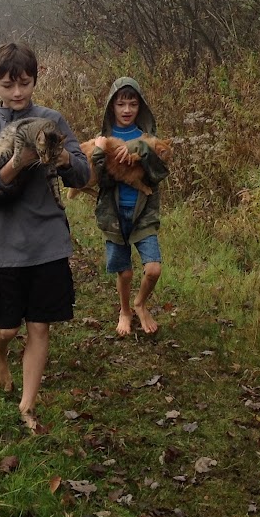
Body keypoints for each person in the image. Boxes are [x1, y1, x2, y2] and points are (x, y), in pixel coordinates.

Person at [0, 42, 90, 433]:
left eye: (24, 83)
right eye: (8, 85)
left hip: (48, 240)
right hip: (4, 242)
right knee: (5, 328)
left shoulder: (52, 118)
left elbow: (84, 175)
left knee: (40, 326)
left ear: (35, 80)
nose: (17, 92)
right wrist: (15, 166)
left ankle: (27, 405)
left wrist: (66, 159)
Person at [92, 77, 170, 337]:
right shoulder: (103, 139)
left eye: (133, 104)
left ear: (140, 107)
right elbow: (99, 181)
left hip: (143, 213)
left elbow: (159, 174)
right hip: (113, 215)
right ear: (111, 106)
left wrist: (141, 150)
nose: (127, 110)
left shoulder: (148, 138)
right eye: (121, 104)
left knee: (153, 268)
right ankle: (125, 310)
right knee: (124, 272)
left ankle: (140, 303)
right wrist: (101, 153)